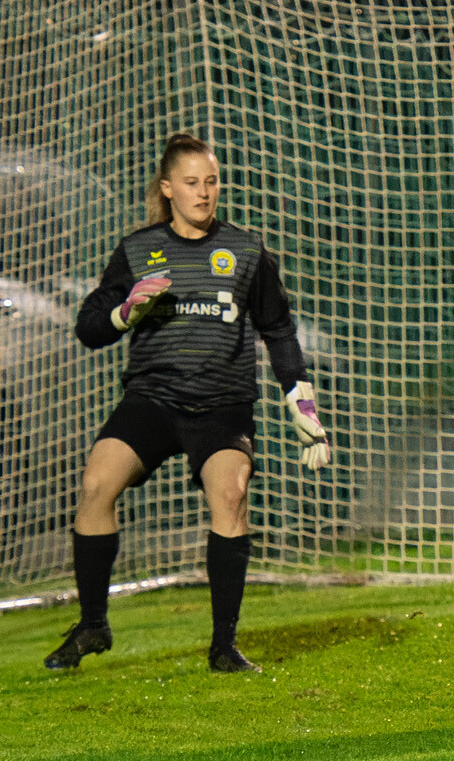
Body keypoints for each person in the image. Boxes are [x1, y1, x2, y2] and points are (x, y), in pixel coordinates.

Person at [48, 132, 329, 674]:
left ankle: (224, 647)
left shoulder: (246, 251)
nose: (204, 192)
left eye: (212, 182)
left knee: (231, 493)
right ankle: (92, 624)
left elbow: (278, 330)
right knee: (96, 484)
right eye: (192, 182)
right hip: (154, 399)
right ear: (167, 188)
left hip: (222, 405)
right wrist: (125, 312)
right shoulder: (138, 250)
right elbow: (88, 327)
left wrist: (302, 401)